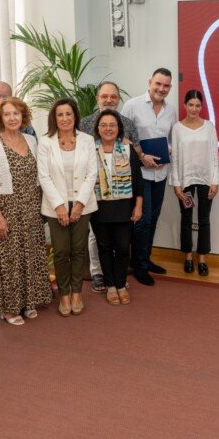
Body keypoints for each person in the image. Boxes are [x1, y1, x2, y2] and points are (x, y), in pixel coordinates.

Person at [0, 97, 51, 325]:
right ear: (0, 119)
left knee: (31, 254)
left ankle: (28, 301)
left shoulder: (31, 140)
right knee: (10, 259)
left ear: (23, 117)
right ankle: (10, 309)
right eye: (7, 114)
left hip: (32, 206)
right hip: (8, 208)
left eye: (16, 114)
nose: (12, 118)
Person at [38, 98, 98, 316]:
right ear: (54, 118)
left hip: (83, 205)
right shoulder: (45, 142)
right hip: (56, 207)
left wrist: (80, 203)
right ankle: (63, 294)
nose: (64, 118)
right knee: (62, 251)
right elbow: (43, 176)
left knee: (78, 250)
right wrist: (59, 206)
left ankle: (76, 292)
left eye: (68, 114)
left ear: (75, 116)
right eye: (60, 115)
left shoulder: (87, 140)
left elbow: (92, 173)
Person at [80, 81, 140, 293]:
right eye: (104, 96)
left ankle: (117, 276)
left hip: (122, 194)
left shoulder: (128, 123)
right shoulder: (84, 123)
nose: (109, 100)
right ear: (97, 98)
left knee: (120, 242)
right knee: (96, 238)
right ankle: (98, 273)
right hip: (95, 194)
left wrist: (138, 153)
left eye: (113, 96)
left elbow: (136, 152)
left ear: (118, 99)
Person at [121, 68, 177, 285]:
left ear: (170, 88)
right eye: (158, 84)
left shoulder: (171, 110)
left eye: (166, 86)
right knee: (142, 220)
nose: (161, 89)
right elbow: (122, 137)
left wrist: (167, 153)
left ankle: (144, 259)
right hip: (139, 173)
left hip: (160, 173)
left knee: (153, 218)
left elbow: (171, 139)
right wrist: (142, 156)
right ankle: (140, 267)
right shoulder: (132, 105)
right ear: (150, 82)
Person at [90, 110, 144, 305]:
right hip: (98, 207)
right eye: (104, 125)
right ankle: (111, 286)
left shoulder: (128, 150)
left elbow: (138, 181)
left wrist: (138, 206)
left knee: (122, 248)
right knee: (104, 248)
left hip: (123, 208)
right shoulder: (90, 150)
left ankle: (121, 284)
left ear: (119, 128)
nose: (108, 129)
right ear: (97, 128)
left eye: (112, 125)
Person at [170, 90, 219, 276]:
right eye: (190, 104)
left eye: (197, 105)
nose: (194, 109)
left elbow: (215, 156)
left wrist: (215, 181)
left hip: (206, 180)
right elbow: (174, 157)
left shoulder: (209, 127)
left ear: (201, 107)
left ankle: (203, 257)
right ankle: (188, 256)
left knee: (204, 219)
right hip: (186, 182)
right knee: (187, 218)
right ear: (185, 105)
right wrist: (177, 183)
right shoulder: (177, 128)